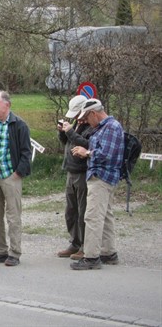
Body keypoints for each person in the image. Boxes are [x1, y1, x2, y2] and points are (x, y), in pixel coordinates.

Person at [70, 98, 124, 270]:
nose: (85, 121)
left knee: (92, 217)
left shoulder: (111, 127)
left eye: (86, 117)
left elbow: (106, 154)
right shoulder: (103, 128)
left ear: (94, 113)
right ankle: (109, 252)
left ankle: (91, 257)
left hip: (102, 177)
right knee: (106, 216)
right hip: (102, 176)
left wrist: (86, 153)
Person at [0, 91, 31, 267]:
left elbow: (26, 152)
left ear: (7, 105)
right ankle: (0, 250)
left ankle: (14, 253)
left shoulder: (19, 125)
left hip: (11, 175)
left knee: (13, 216)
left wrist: (18, 173)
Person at [57, 95, 93, 260]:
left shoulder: (92, 126)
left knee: (82, 211)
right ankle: (74, 242)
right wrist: (63, 133)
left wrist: (70, 132)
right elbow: (68, 143)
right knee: (70, 211)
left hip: (82, 172)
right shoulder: (77, 124)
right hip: (70, 171)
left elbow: (86, 144)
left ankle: (85, 245)